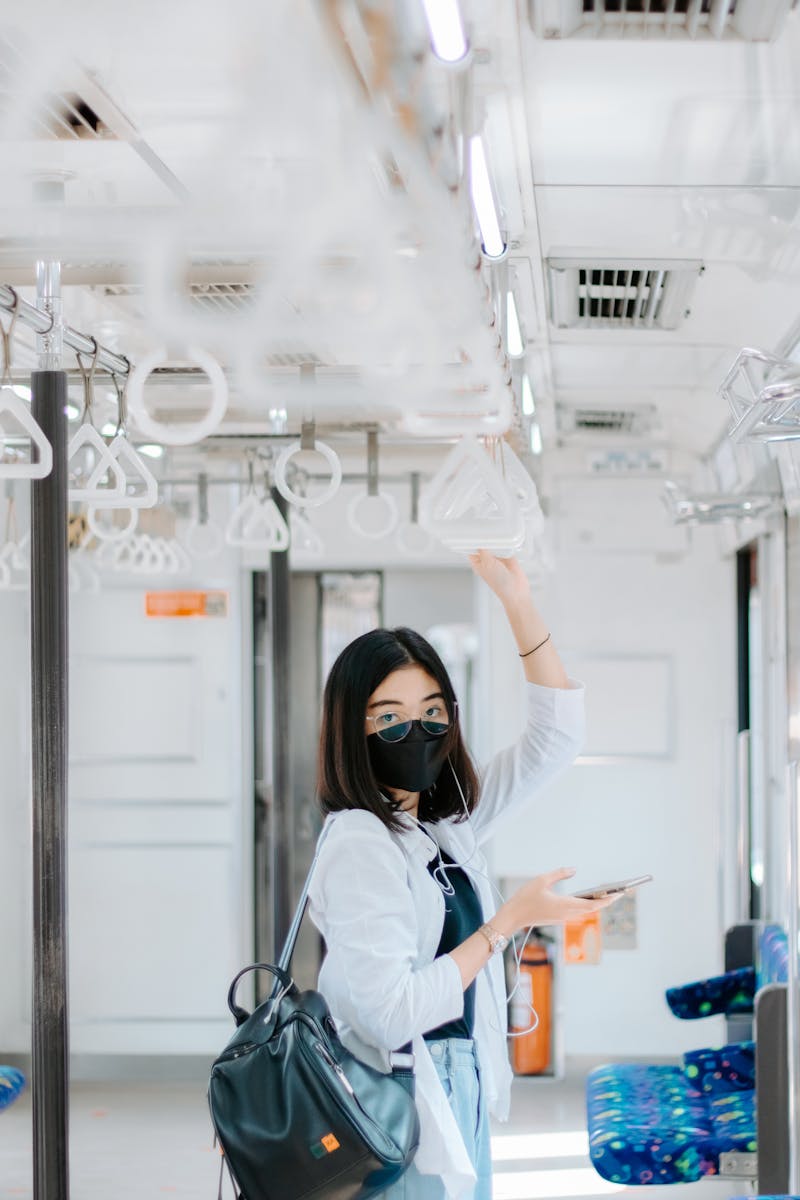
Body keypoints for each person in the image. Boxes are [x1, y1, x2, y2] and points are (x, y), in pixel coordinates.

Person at [307, 549, 614, 1200]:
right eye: (387, 716)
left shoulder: (445, 825)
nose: (415, 729)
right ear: (351, 729)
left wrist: (518, 602)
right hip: (398, 1094)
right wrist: (506, 924)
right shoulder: (360, 846)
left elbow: (555, 738)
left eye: (433, 710)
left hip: (454, 1081)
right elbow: (391, 1015)